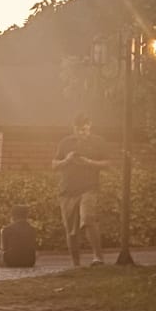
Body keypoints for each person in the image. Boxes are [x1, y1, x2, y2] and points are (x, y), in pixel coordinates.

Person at [53, 112, 112, 266]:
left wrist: (89, 162)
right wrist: (67, 160)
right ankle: (76, 264)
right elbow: (54, 165)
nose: (83, 133)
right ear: (74, 128)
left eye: (86, 129)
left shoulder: (98, 142)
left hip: (89, 188)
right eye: (80, 130)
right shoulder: (65, 142)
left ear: (90, 126)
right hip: (67, 190)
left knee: (88, 218)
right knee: (71, 230)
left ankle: (98, 258)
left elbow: (107, 163)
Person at [0, 203, 37, 268]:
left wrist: (2, 232)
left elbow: (3, 249)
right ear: (26, 216)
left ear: (13, 216)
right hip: (30, 262)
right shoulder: (32, 229)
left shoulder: (7, 229)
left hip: (11, 261)